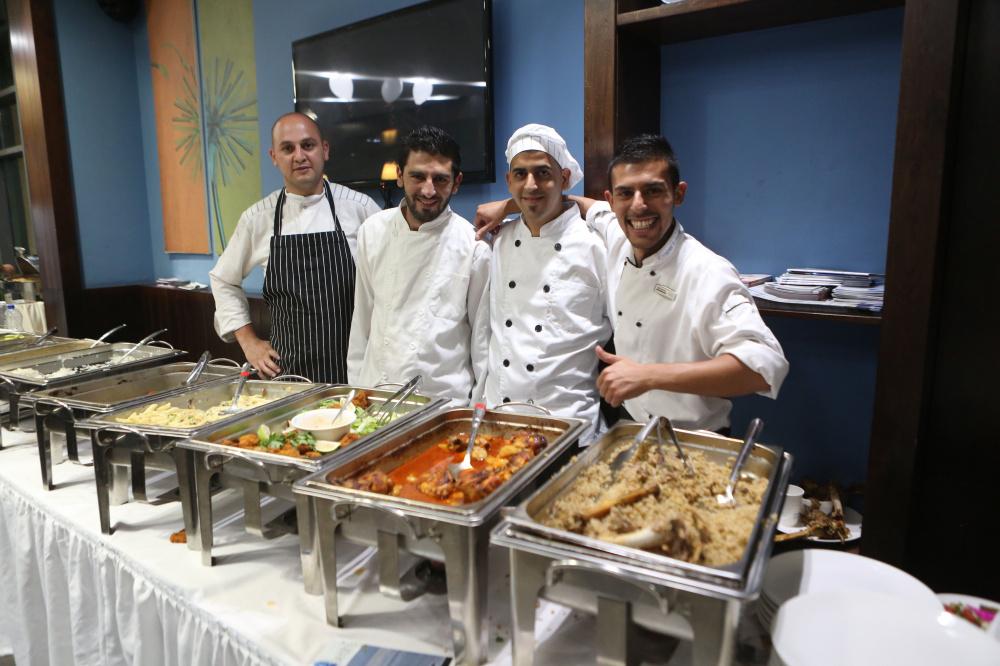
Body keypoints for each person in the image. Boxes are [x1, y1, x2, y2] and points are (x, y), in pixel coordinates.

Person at [475, 134, 788, 432]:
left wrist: (649, 376)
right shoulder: (616, 236)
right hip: (632, 429)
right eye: (626, 193)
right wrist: (509, 205)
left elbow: (764, 366)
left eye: (653, 191)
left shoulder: (706, 271)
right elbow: (573, 203)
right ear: (611, 200)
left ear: (678, 194)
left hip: (695, 436)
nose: (638, 205)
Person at [209, 112, 380, 382]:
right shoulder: (258, 218)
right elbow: (223, 280)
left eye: (308, 145)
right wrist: (249, 341)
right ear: (274, 157)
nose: (299, 156)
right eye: (288, 149)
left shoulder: (360, 208)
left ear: (324, 150)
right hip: (287, 375)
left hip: (354, 374)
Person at [478, 124, 611, 439]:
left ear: (564, 178)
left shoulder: (597, 245)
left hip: (569, 427)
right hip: (498, 423)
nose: (531, 184)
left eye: (542, 173)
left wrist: (507, 205)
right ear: (508, 181)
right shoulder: (498, 241)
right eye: (520, 174)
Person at [347, 126, 490, 405]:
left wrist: (475, 411)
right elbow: (362, 320)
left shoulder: (474, 248)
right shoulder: (372, 231)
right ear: (400, 175)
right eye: (418, 176)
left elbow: (482, 343)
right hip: (374, 397)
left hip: (442, 406)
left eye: (440, 179)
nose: (428, 190)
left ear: (457, 182)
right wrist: (356, 393)